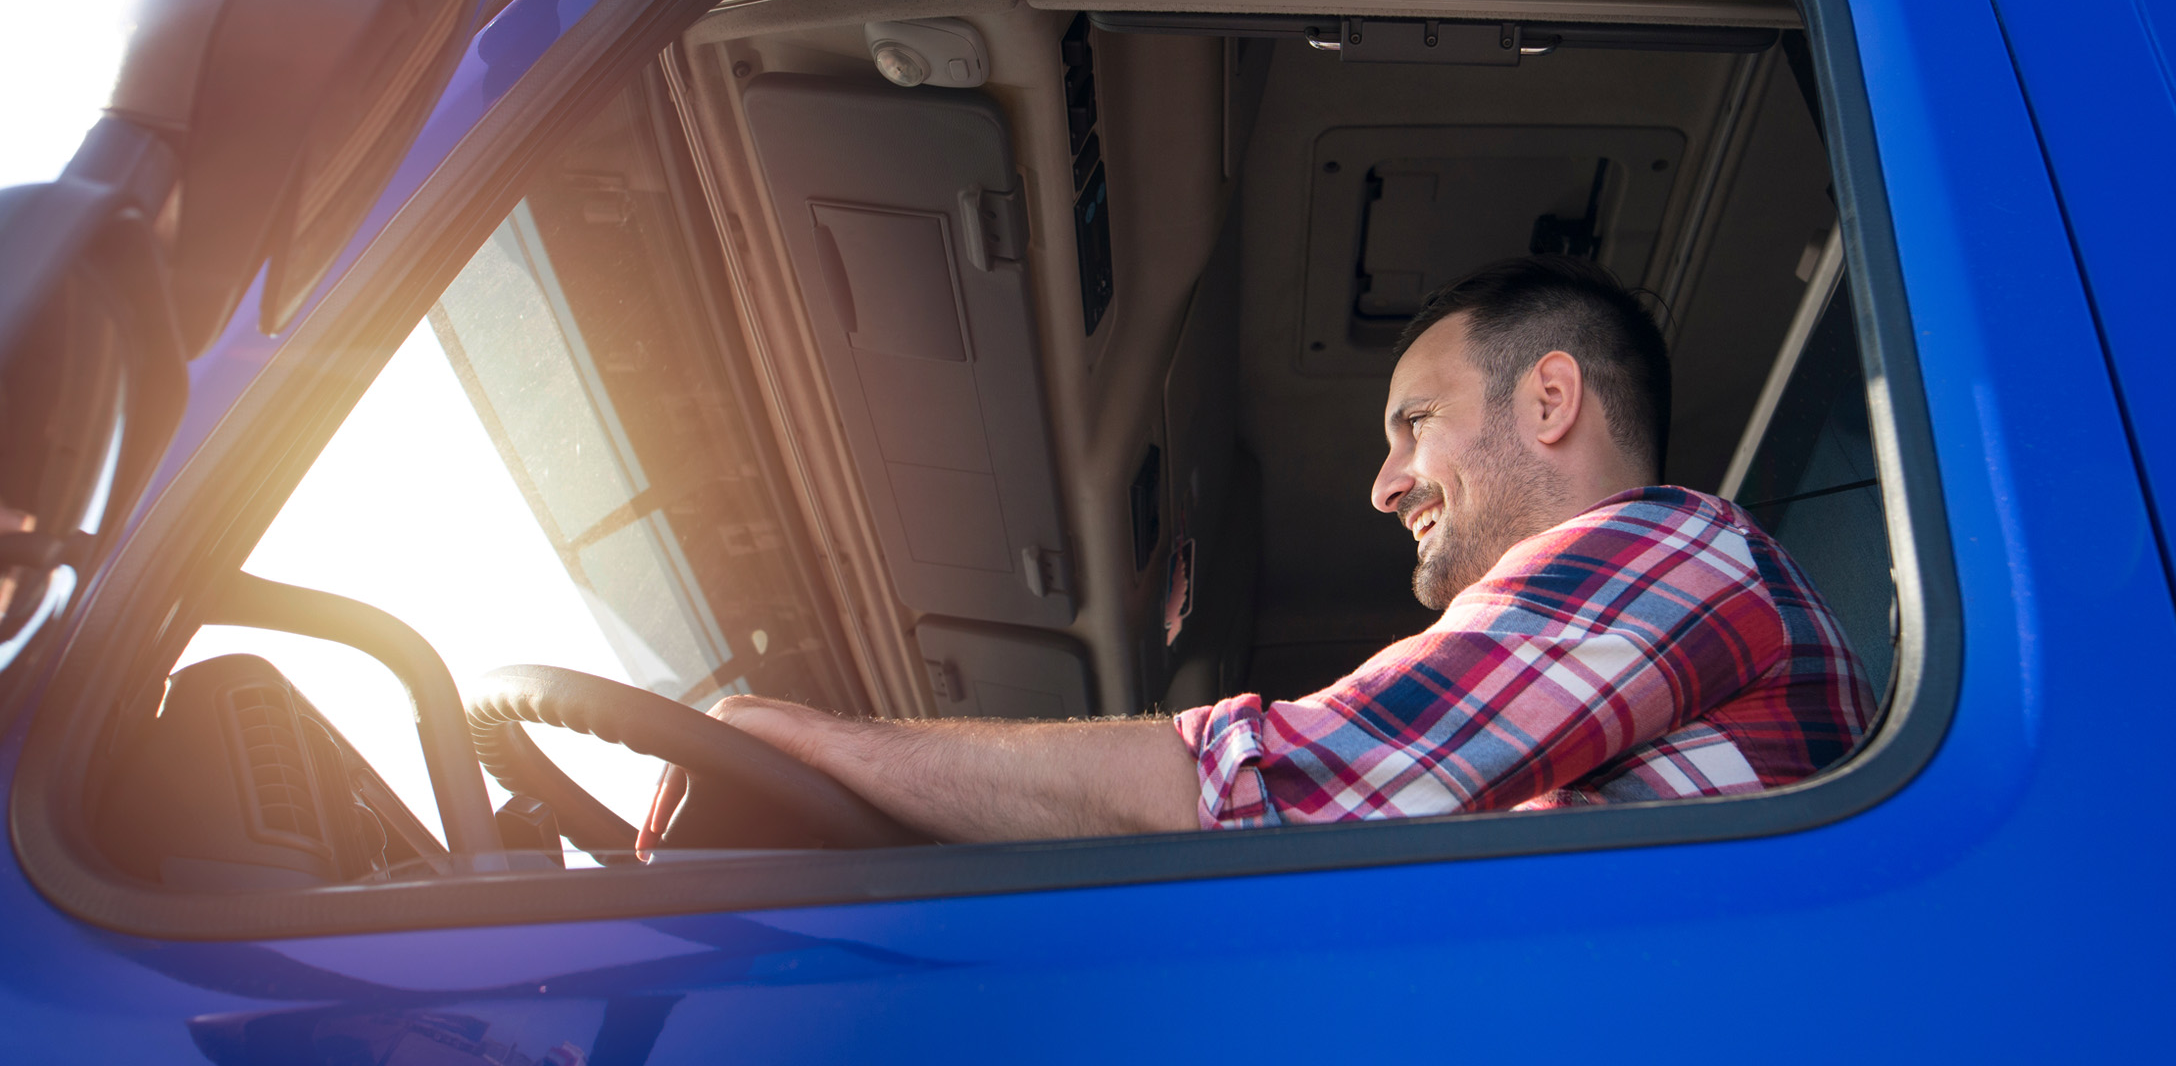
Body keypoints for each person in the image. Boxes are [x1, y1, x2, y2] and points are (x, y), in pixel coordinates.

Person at [637, 256, 1875, 848]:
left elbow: (1283, 793)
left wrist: (816, 742)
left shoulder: (1678, 550)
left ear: (1549, 400)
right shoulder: (1625, 646)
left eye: (1414, 423)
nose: (1385, 484)